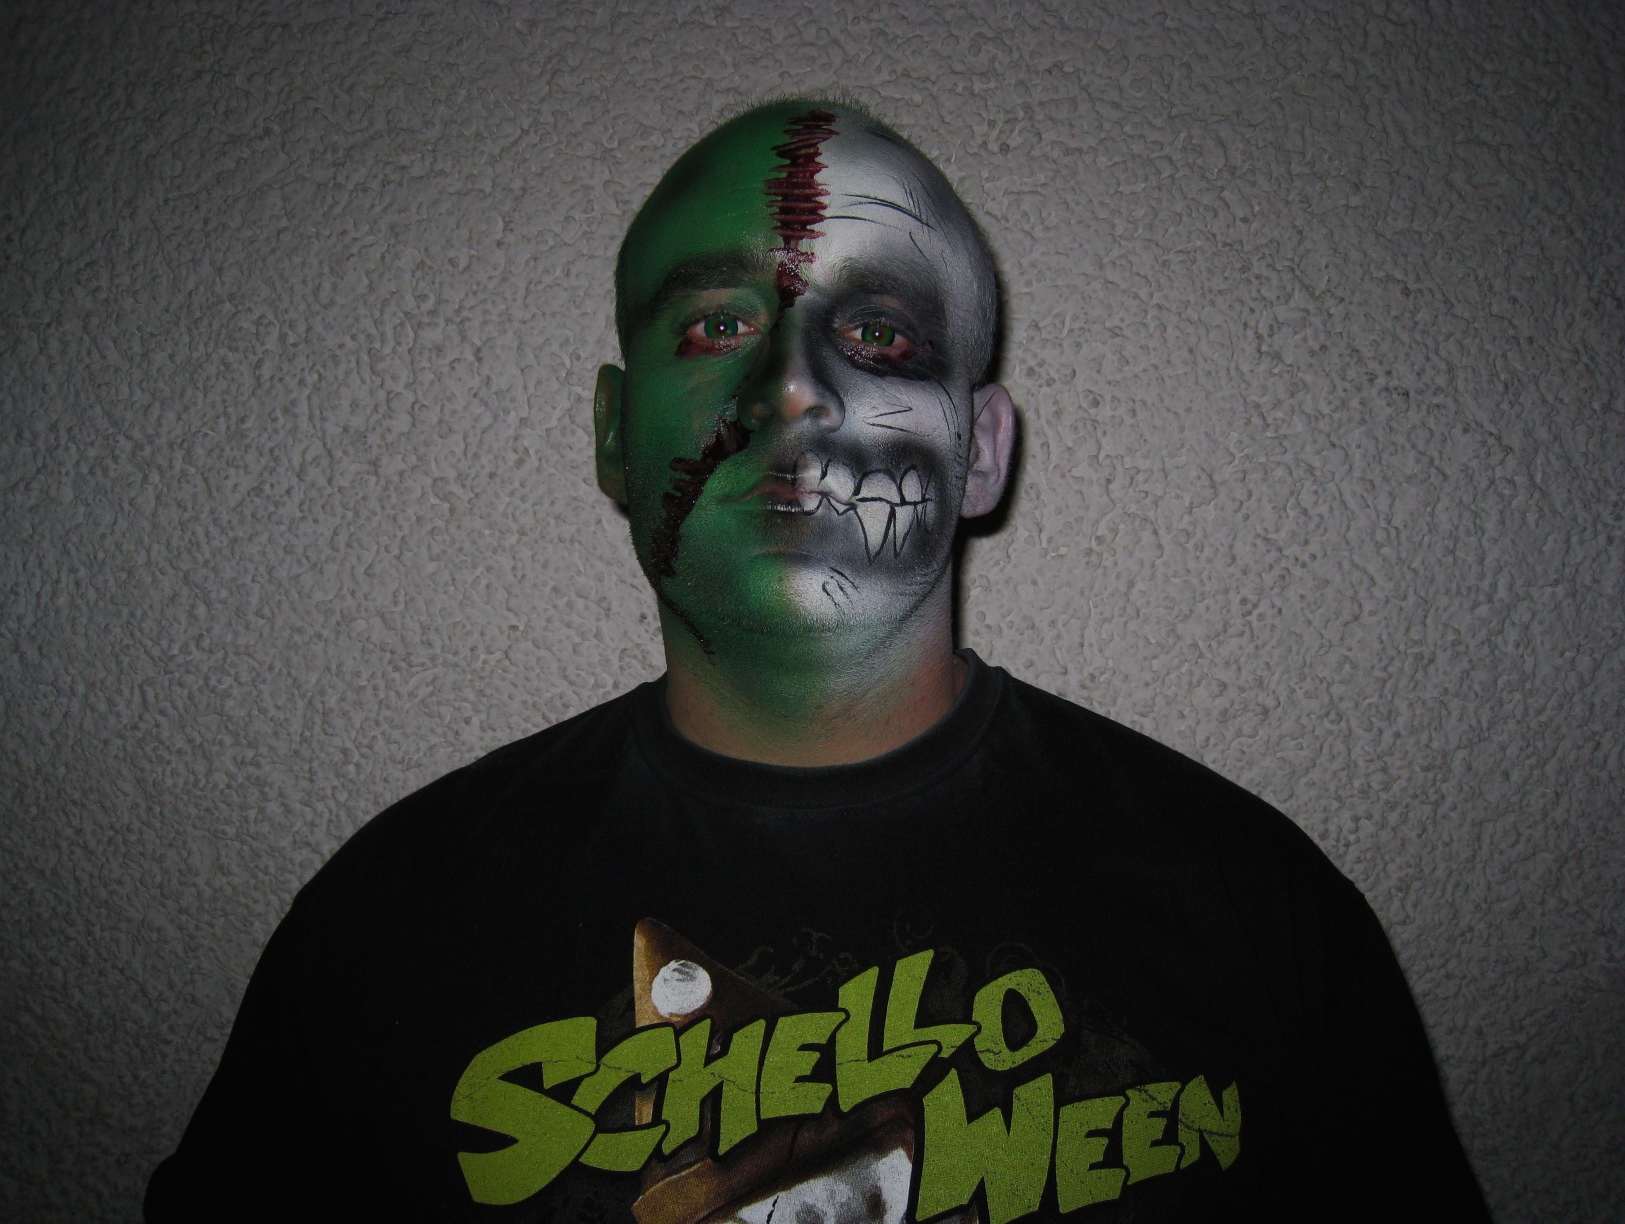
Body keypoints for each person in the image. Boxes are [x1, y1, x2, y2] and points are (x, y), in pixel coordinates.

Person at [146, 99, 1488, 1223]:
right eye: (715, 328)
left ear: (981, 448)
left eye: (882, 336)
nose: (793, 389)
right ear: (613, 434)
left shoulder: (1255, 909)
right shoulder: (389, 926)